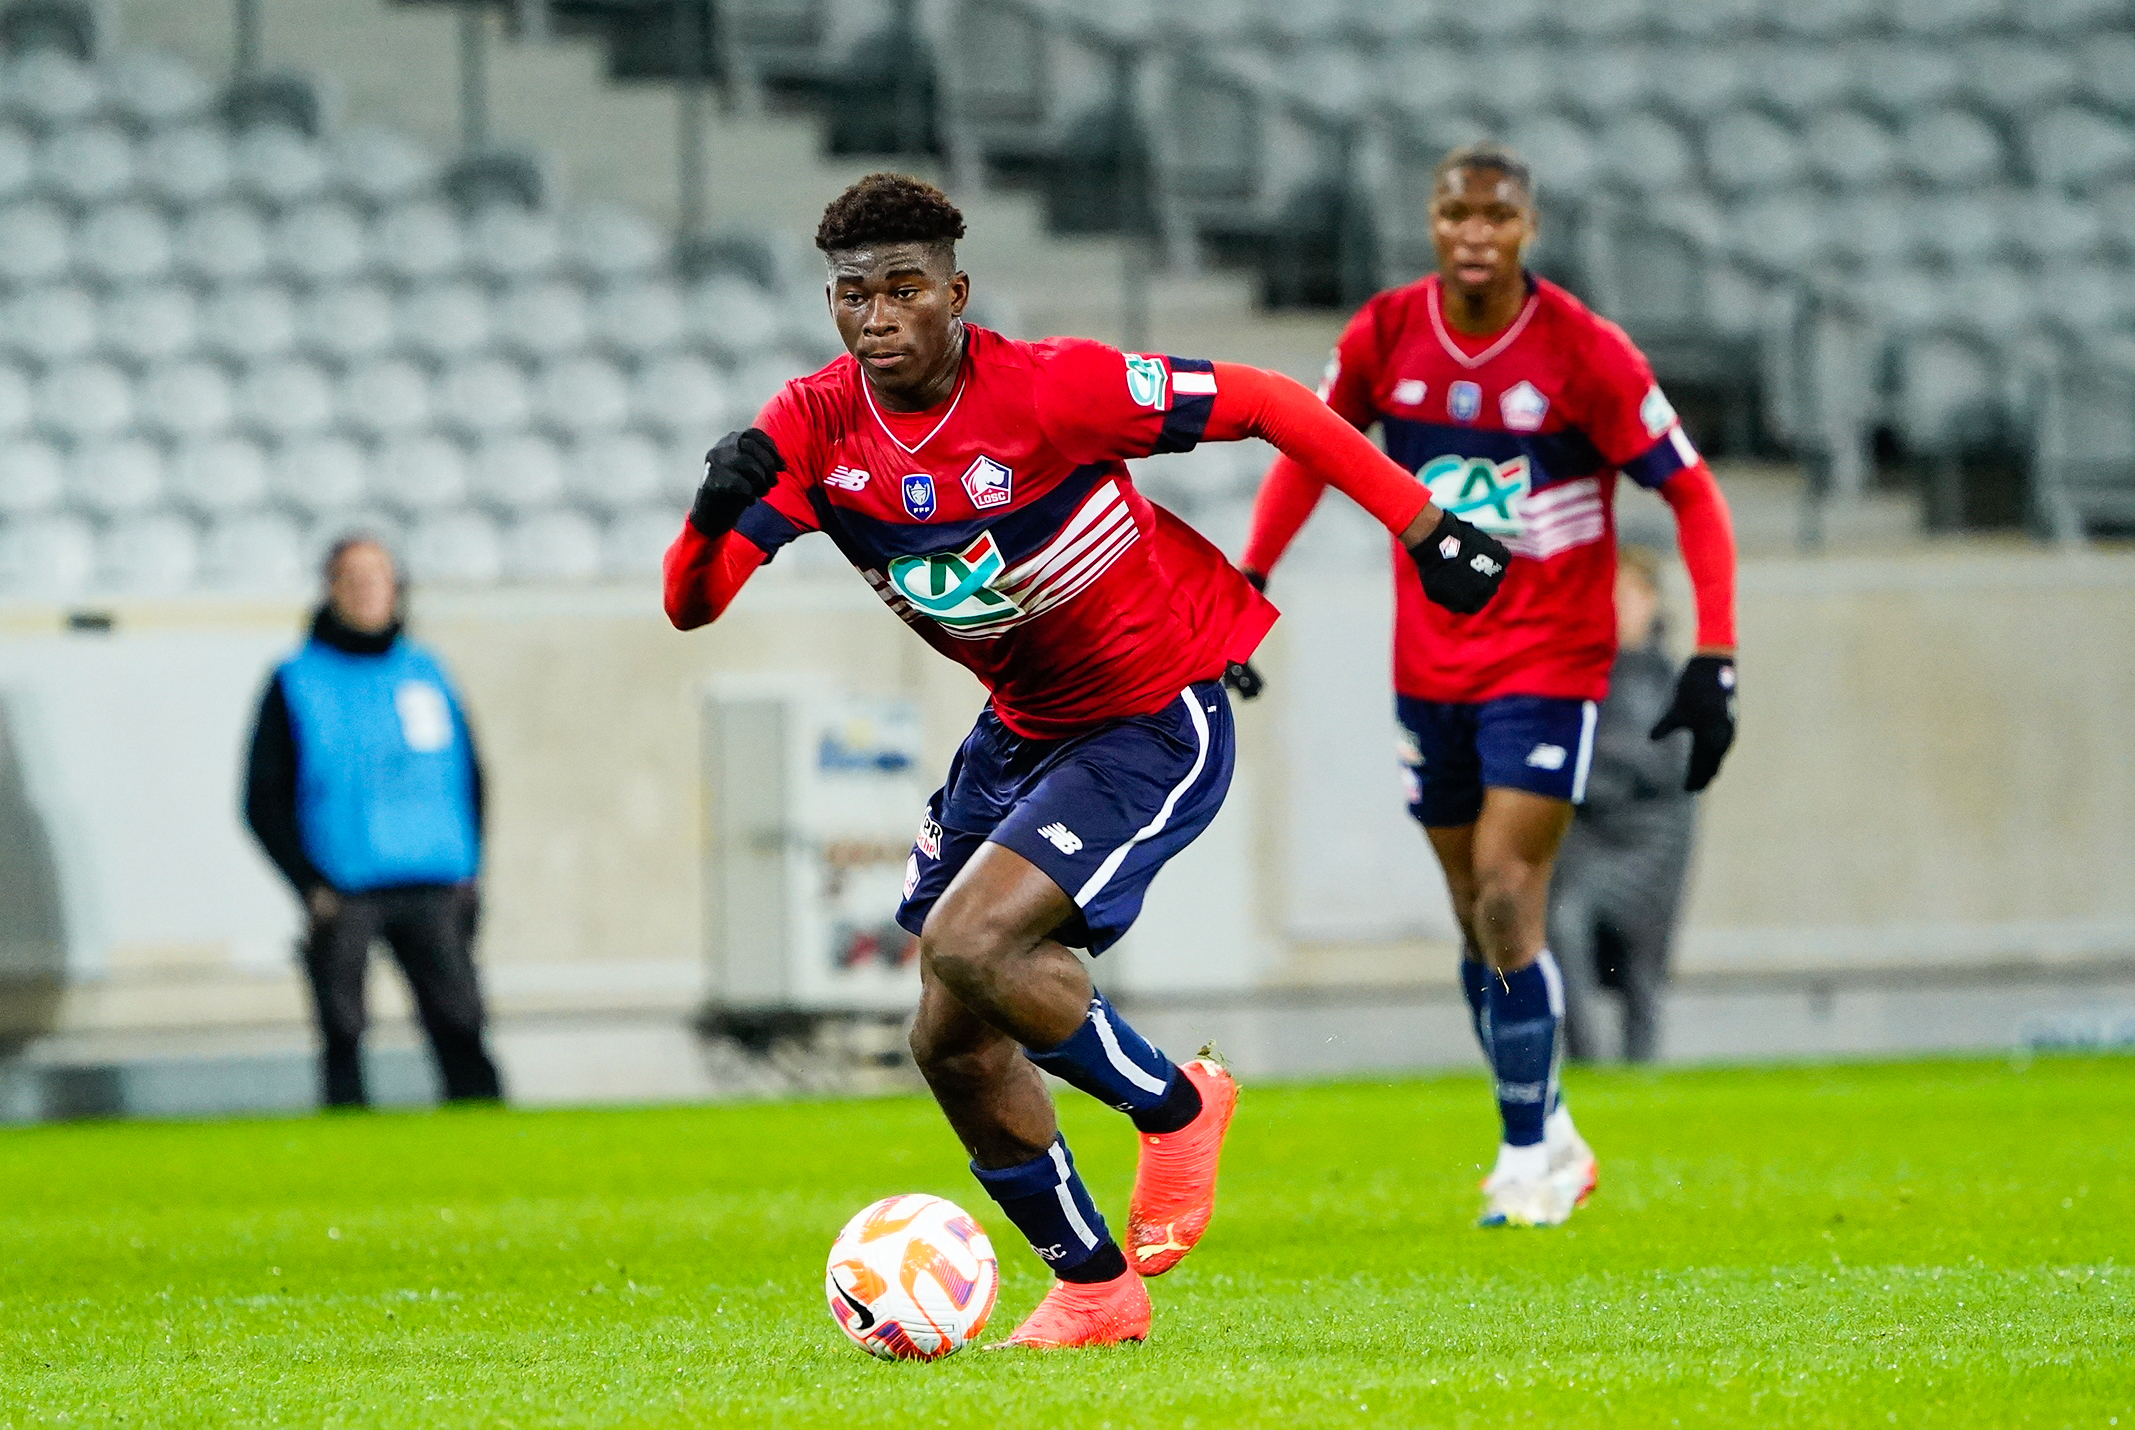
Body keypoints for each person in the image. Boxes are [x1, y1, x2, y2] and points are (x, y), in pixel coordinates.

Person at [664, 173, 1509, 1348]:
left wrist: (1421, 523)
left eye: (904, 288)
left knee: (969, 941)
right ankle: (1098, 1288)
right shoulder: (814, 425)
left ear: (958, 294)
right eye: (853, 295)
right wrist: (714, 511)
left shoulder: (1055, 388)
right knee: (945, 1035)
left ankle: (1176, 1106)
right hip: (1020, 726)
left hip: (1151, 713)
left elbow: (1266, 400)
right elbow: (691, 605)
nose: (876, 317)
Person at [1239, 142, 1739, 1228]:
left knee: (1513, 890)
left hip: (1550, 662)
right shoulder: (1383, 334)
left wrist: (1716, 653)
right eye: (1456, 214)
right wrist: (1250, 581)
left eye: (1497, 217)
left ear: (1530, 229)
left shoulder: (1584, 352)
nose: (1475, 234)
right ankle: (1551, 1120)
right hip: (1429, 665)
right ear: (1431, 220)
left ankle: (1523, 1156)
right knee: (1477, 916)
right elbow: (1311, 450)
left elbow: (1693, 495)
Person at [243, 536, 504, 1110]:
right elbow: (262, 799)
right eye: (353, 578)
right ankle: (345, 1164)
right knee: (344, 1034)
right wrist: (309, 885)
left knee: (461, 1025)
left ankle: (491, 1154)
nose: (367, 590)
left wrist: (472, 867)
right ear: (330, 589)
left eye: (378, 577)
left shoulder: (426, 670)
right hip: (347, 889)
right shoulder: (297, 680)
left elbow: (471, 775)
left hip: (436, 881)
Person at [1549, 546, 1698, 1065]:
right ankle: (1584, 1059)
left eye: (1626, 595)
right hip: (1589, 843)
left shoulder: (1669, 679)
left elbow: (1665, 762)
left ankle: (1641, 1069)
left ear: (1651, 601)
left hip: (1652, 846)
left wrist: (1586, 772)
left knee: (1640, 975)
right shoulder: (1584, 673)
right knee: (1565, 924)